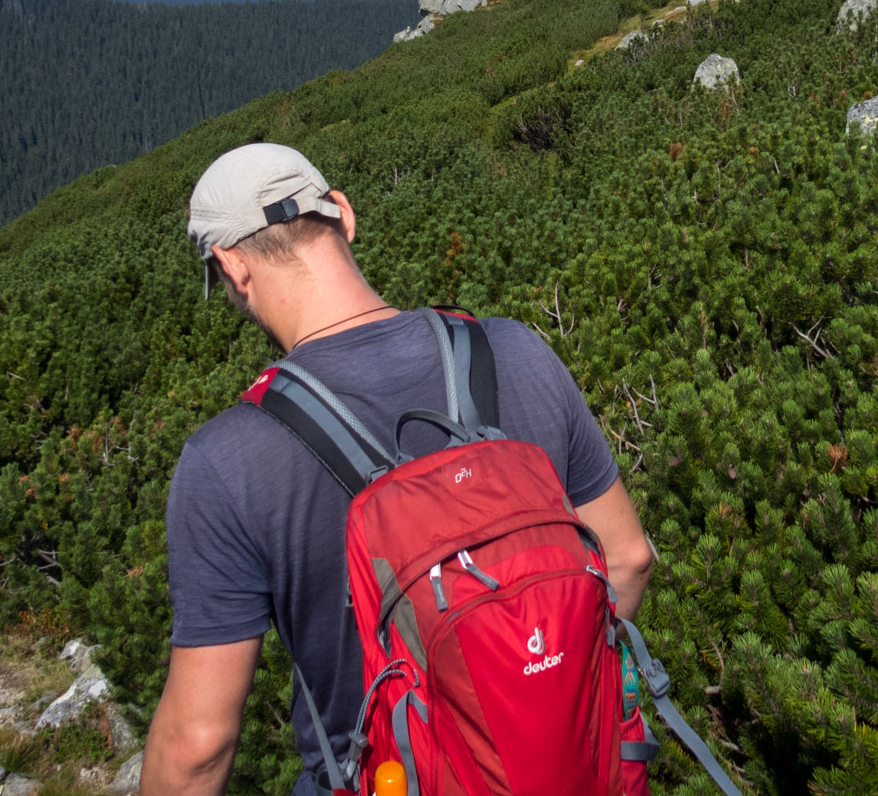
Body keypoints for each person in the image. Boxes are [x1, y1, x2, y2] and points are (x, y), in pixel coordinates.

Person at [141, 143, 655, 796]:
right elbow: (628, 558)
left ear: (232, 267)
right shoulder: (515, 350)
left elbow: (197, 746)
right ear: (345, 216)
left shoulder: (228, 460)